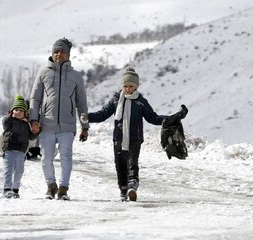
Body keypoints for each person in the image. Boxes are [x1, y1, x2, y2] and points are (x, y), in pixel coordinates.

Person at [88, 67, 187, 201]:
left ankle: (132, 187)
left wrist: (171, 118)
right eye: (125, 86)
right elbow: (102, 114)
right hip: (118, 138)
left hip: (135, 139)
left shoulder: (141, 102)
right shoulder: (116, 100)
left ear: (136, 86)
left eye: (131, 86)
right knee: (120, 165)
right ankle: (123, 190)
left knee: (132, 163)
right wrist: (86, 116)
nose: (128, 89)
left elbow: (153, 117)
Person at [29, 37, 89, 200]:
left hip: (67, 125)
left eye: (62, 51)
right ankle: (51, 186)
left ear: (68, 54)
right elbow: (35, 99)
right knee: (46, 158)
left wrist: (85, 127)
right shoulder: (43, 73)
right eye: (56, 51)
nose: (59, 54)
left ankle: (63, 189)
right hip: (46, 124)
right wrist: (33, 120)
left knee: (66, 157)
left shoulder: (76, 76)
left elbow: (81, 103)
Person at [2, 95, 40, 198]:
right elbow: (4, 122)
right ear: (12, 111)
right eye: (15, 110)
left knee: (19, 171)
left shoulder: (26, 125)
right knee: (8, 169)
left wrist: (36, 131)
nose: (17, 112)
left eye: (20, 110)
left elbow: (31, 137)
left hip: (21, 151)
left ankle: (15, 189)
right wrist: (10, 116)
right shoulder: (10, 121)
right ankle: (7, 189)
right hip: (9, 149)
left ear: (25, 113)